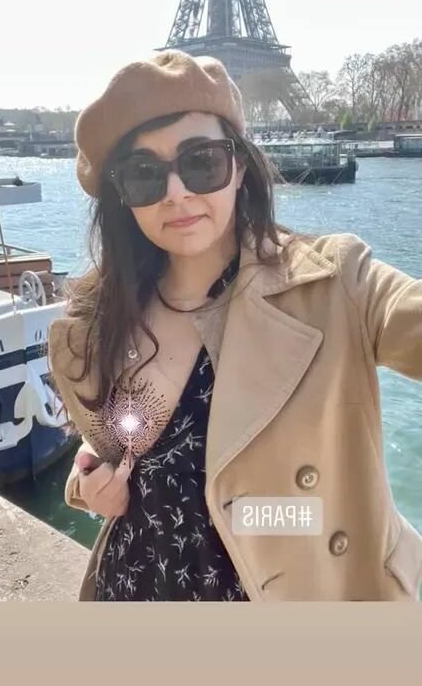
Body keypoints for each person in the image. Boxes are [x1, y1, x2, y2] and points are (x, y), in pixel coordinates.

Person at [48, 49, 422, 602]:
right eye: (145, 175)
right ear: (122, 198)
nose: (177, 192)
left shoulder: (336, 283)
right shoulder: (98, 321)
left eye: (201, 163)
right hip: (131, 589)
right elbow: (109, 445)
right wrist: (86, 482)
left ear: (240, 166)